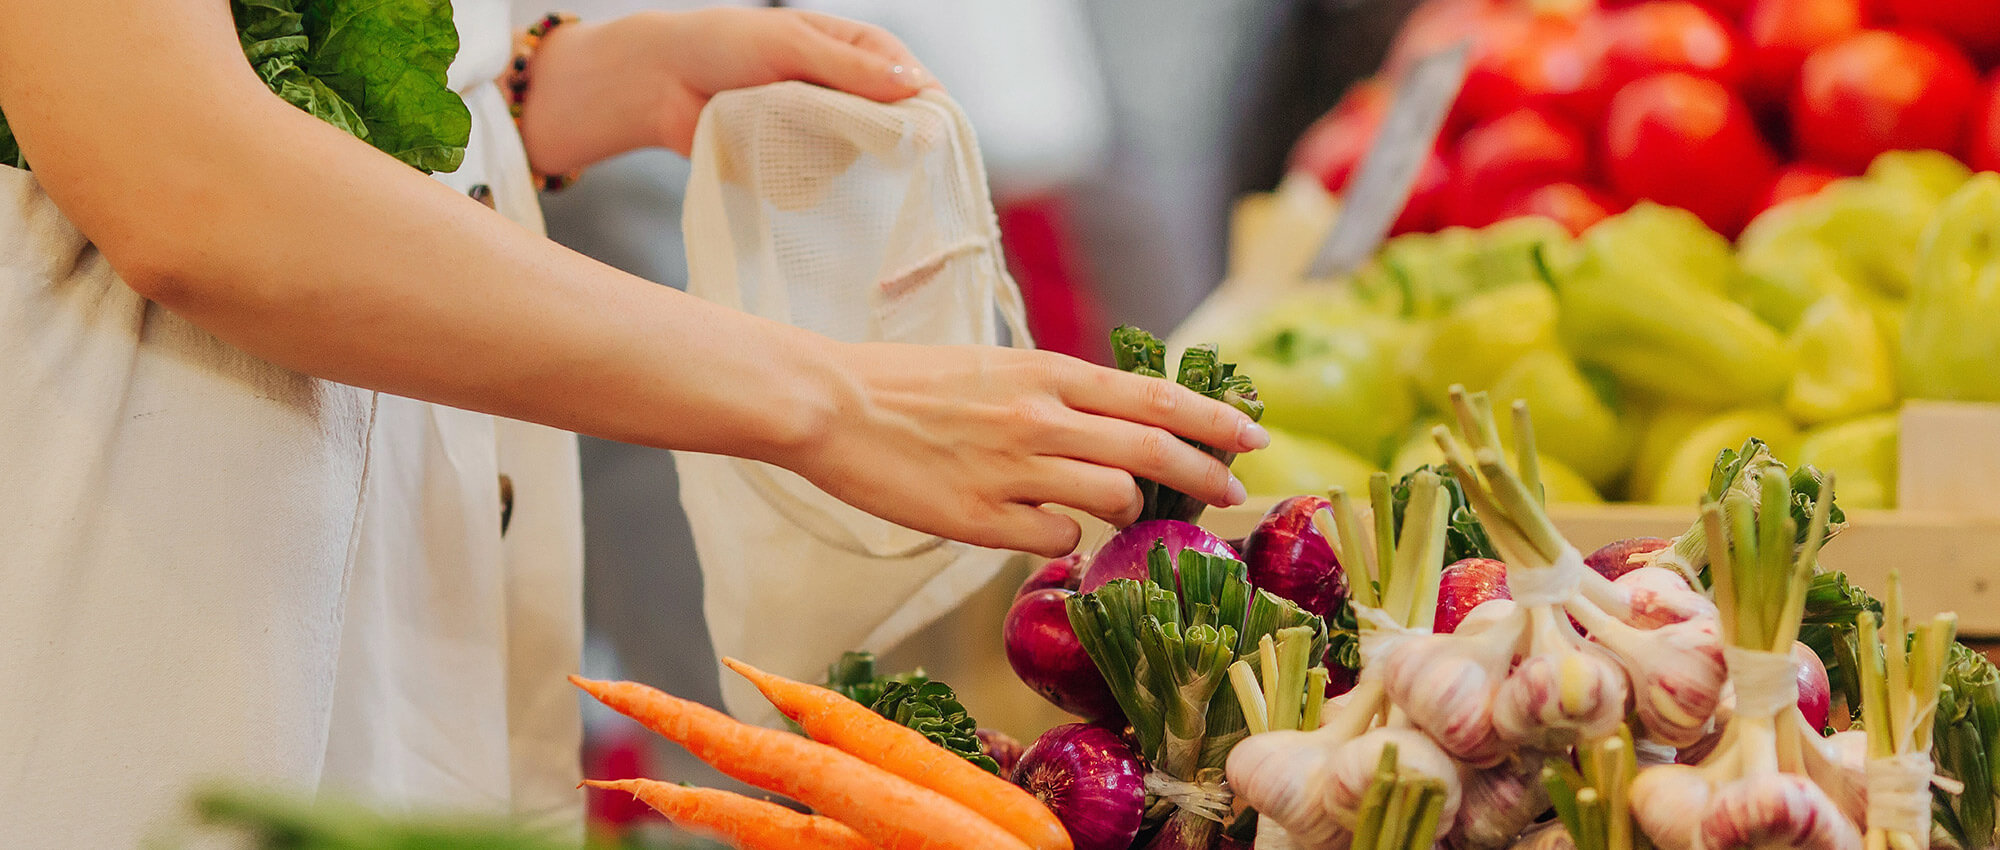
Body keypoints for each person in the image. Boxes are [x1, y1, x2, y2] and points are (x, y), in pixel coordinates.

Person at [0, 1, 1267, 844]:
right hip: (136, 547)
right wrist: (828, 399)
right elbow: (180, 180)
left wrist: (545, 84)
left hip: (366, 518)